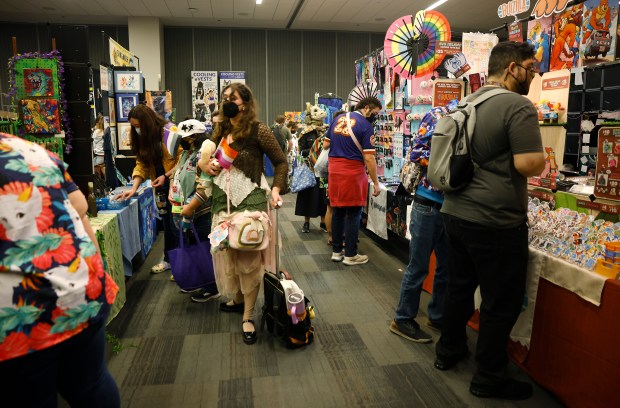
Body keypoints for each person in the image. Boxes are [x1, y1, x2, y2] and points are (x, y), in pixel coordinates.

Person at [435, 41, 545, 401]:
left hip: (455, 213)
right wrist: (543, 159)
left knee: (459, 287)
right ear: (512, 68)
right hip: (496, 221)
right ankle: (489, 376)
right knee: (502, 301)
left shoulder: (468, 102)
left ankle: (448, 351)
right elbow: (527, 165)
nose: (535, 73)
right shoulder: (517, 105)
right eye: (531, 65)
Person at [0, 133, 120, 407]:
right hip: (81, 289)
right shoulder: (28, 149)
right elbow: (79, 206)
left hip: (19, 315)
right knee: (92, 384)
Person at [202, 83, 287, 345]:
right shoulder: (221, 129)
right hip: (221, 200)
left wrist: (275, 190)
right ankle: (238, 298)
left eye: (233, 98)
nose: (228, 102)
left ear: (246, 102)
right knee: (228, 251)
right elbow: (205, 161)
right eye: (225, 98)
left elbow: (281, 161)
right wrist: (205, 163)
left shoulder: (259, 129)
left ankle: (248, 315)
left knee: (248, 256)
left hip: (250, 199)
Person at [390, 105, 455, 344]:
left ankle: (436, 315)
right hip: (428, 203)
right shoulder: (438, 117)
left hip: (451, 207)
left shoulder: (464, 120)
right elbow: (417, 153)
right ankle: (402, 318)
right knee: (418, 267)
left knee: (445, 267)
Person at [116, 104, 180, 274]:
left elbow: (184, 160)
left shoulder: (169, 131)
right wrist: (133, 187)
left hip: (175, 183)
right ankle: (169, 260)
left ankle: (181, 263)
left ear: (148, 122)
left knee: (177, 224)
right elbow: (142, 164)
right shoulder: (143, 137)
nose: (136, 130)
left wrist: (166, 176)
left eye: (138, 126)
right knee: (167, 223)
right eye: (133, 126)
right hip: (158, 183)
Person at [325, 98, 381, 265]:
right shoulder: (365, 126)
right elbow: (369, 158)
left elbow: (325, 145)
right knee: (354, 212)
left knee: (338, 211)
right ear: (366, 108)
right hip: (353, 171)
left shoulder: (337, 119)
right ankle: (350, 254)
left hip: (334, 170)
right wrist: (376, 182)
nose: (375, 116)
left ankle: (336, 251)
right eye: (375, 113)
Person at [295, 106, 328, 233]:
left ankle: (323, 222)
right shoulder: (306, 133)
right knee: (307, 196)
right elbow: (301, 151)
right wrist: (314, 150)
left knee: (323, 196)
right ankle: (306, 222)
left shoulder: (326, 131)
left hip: (324, 170)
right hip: (309, 169)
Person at [92, 113, 105, 178]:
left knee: (94, 166)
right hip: (103, 155)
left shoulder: (96, 131)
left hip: (99, 155)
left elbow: (93, 141)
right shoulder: (104, 131)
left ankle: (99, 182)